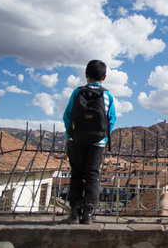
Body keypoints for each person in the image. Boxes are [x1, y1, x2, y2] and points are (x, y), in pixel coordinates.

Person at [63, 60, 116, 224]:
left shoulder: (77, 93)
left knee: (77, 174)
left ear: (86, 74)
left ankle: (74, 212)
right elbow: (111, 120)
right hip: (98, 142)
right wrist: (104, 137)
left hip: (77, 140)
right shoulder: (107, 95)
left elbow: (67, 116)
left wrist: (70, 135)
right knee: (93, 175)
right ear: (104, 77)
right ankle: (88, 215)